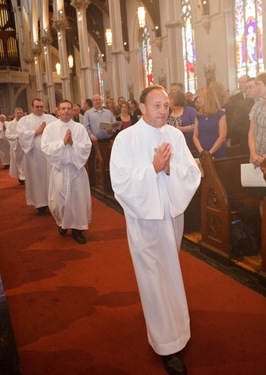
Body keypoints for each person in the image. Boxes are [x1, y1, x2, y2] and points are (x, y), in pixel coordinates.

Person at [110, 85, 201, 375]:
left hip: (171, 218)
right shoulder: (126, 138)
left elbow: (191, 171)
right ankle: (167, 346)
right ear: (142, 108)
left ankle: (177, 324)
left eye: (166, 105)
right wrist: (152, 168)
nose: (163, 111)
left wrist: (171, 169)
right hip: (144, 221)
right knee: (152, 278)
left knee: (170, 273)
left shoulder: (174, 135)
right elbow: (120, 182)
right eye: (157, 105)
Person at [41, 100, 92, 244]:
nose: (66, 111)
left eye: (69, 108)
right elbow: (45, 147)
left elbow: (87, 147)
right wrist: (62, 143)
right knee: (59, 202)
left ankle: (77, 231)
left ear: (72, 110)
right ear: (57, 111)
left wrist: (73, 144)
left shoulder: (79, 128)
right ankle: (63, 223)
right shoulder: (50, 128)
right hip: (60, 170)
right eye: (63, 109)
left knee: (78, 202)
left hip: (76, 170)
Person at [17, 98, 56, 215]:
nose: (39, 109)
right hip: (34, 156)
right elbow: (22, 135)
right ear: (32, 107)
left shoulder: (51, 119)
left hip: (49, 156)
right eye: (37, 107)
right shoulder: (25, 120)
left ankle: (53, 202)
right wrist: (37, 131)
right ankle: (40, 204)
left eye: (41, 106)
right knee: (37, 179)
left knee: (50, 177)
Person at [248, 72, 266, 217]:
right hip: (257, 157)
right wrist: (254, 154)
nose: (256, 88)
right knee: (261, 199)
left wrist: (264, 157)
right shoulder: (258, 106)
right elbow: (251, 133)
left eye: (259, 84)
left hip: (264, 158)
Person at [193, 86, 227, 158]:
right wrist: (201, 151)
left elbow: (222, 137)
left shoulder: (220, 114)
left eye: (199, 97)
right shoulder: (198, 116)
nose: (197, 100)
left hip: (217, 153)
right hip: (201, 153)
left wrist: (209, 153)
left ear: (207, 98)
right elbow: (195, 136)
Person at [230, 77, 258, 154]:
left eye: (251, 87)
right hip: (247, 144)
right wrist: (253, 132)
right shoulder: (241, 104)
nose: (247, 90)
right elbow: (235, 126)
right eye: (247, 88)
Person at [5, 107, 25, 185]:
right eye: (18, 113)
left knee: (25, 161)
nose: (19, 114)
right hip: (16, 146)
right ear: (14, 114)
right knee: (18, 161)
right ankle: (21, 177)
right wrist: (17, 136)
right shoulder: (11, 124)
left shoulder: (25, 123)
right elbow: (7, 134)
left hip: (25, 145)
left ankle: (25, 176)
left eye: (21, 113)